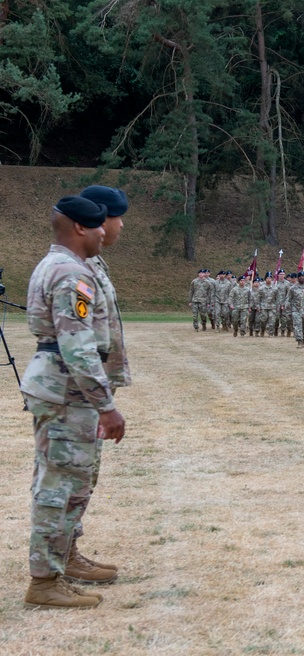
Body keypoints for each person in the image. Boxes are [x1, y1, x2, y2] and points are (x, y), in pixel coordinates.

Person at [21, 196, 127, 609]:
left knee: (70, 482)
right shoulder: (70, 274)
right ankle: (44, 581)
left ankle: (61, 561)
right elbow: (78, 348)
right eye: (99, 225)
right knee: (58, 486)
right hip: (68, 390)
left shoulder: (64, 266)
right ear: (80, 229)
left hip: (64, 388)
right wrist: (106, 406)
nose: (106, 231)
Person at [73, 185, 129, 585]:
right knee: (69, 475)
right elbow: (77, 341)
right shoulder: (77, 268)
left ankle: (66, 552)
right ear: (98, 220)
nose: (121, 225)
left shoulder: (95, 265)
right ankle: (54, 564)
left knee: (81, 475)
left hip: (87, 392)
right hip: (76, 392)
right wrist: (102, 402)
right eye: (117, 217)